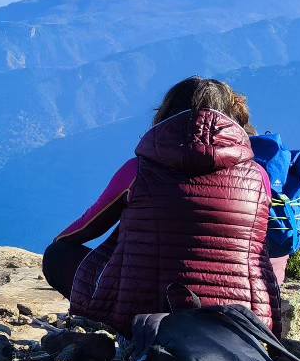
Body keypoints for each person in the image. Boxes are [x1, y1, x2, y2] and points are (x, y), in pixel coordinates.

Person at [41, 77, 279, 336]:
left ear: (166, 114)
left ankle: (114, 332)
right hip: (238, 325)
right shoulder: (258, 178)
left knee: (58, 255)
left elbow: (81, 231)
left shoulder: (137, 170)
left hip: (141, 318)